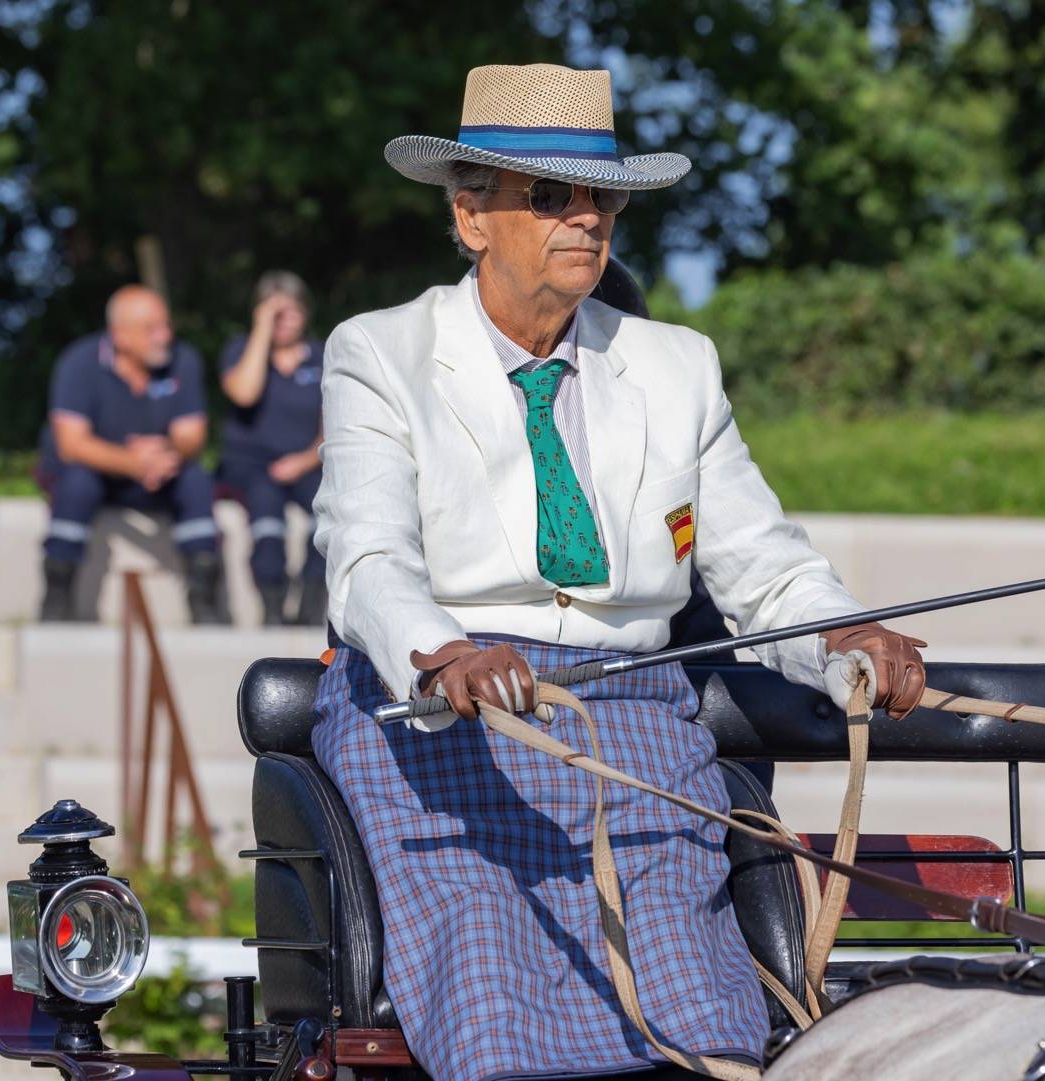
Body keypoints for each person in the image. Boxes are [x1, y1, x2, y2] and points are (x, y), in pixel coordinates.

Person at [310, 64, 929, 1081]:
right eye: (551, 195)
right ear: (471, 215)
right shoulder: (378, 353)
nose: (587, 218)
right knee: (490, 978)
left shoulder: (677, 366)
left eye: (603, 197)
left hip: (636, 719)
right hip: (443, 724)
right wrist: (444, 657)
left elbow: (765, 568)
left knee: (700, 1010)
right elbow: (368, 558)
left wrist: (844, 636)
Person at [38, 285, 224, 624]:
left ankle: (203, 596)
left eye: (165, 325)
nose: (164, 336)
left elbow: (192, 436)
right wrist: (133, 461)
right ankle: (57, 595)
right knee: (77, 483)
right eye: (151, 329)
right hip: (97, 472)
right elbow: (72, 444)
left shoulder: (184, 360)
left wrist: (164, 453)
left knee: (196, 480)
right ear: (119, 335)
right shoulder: (79, 362)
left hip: (159, 472)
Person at [218, 271, 327, 626]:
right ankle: (272, 602)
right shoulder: (241, 350)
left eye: (291, 310)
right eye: (275, 312)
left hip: (307, 462)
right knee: (266, 513)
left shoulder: (321, 356)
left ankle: (311, 600)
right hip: (250, 465)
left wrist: (304, 460)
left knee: (327, 509)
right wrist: (262, 331)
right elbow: (244, 393)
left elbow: (335, 423)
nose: (285, 320)